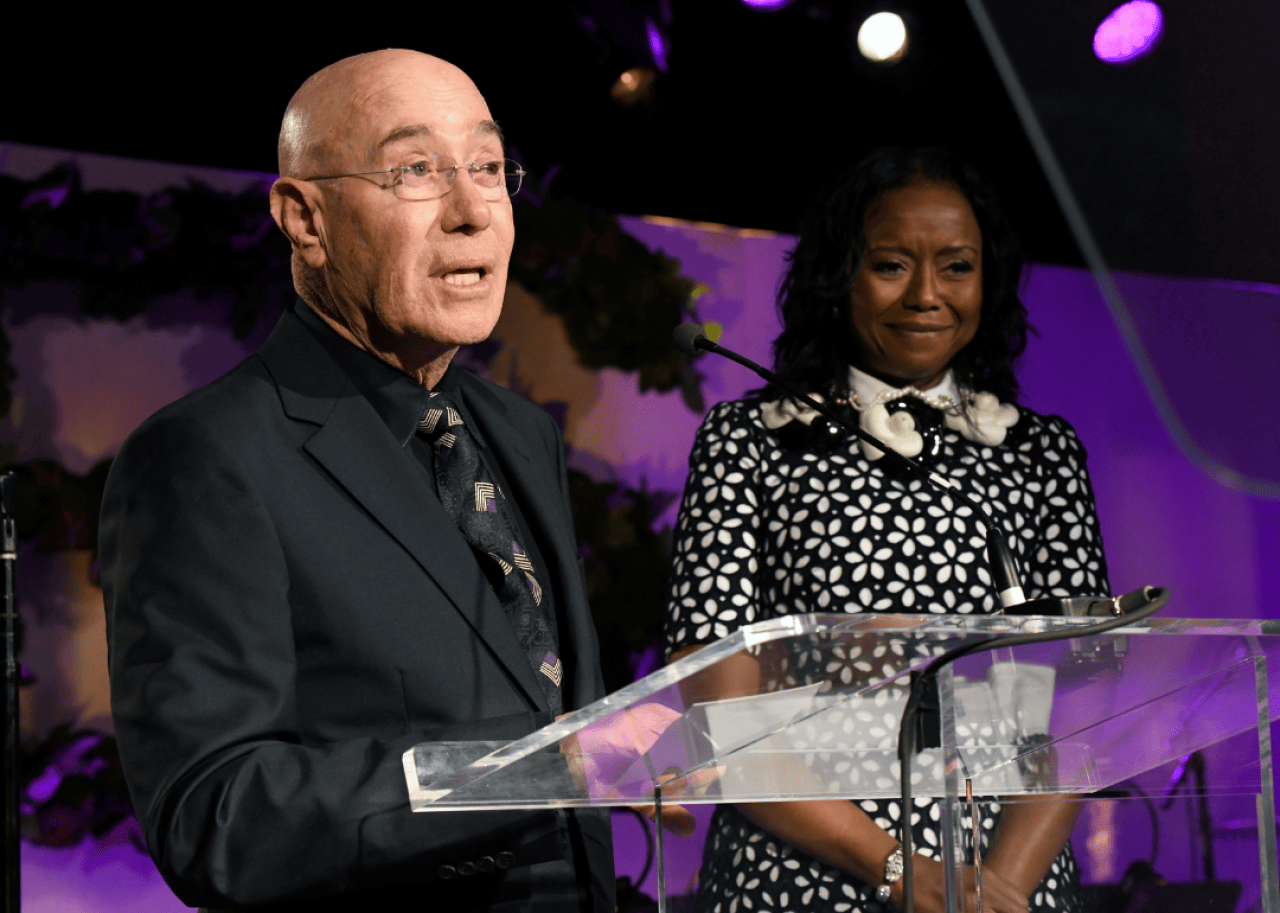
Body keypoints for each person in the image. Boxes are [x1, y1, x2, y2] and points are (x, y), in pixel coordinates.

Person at [100, 50, 615, 913]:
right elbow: (216, 817)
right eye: (415, 170)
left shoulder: (520, 433)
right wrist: (534, 767)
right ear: (305, 217)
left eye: (489, 168)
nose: (471, 212)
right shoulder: (206, 455)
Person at [663, 147, 1110, 913]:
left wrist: (996, 889)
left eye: (958, 266)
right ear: (839, 276)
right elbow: (719, 704)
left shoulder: (1041, 452)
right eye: (893, 265)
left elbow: (1087, 697)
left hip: (1009, 885)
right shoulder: (752, 439)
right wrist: (904, 869)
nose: (927, 295)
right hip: (801, 878)